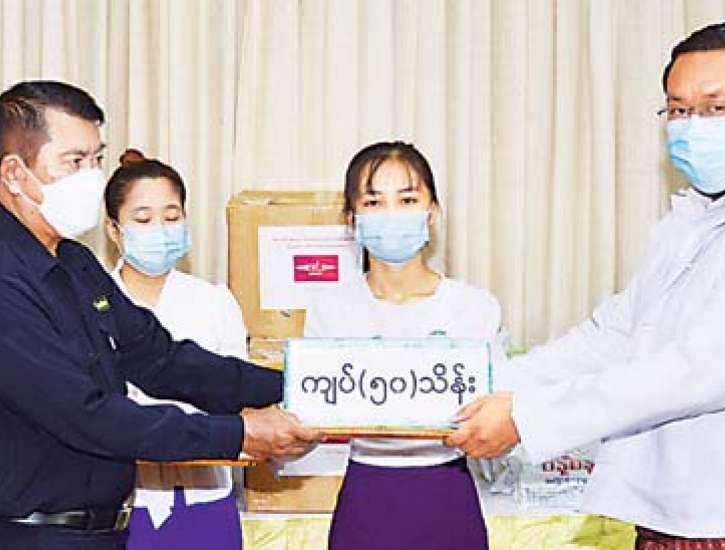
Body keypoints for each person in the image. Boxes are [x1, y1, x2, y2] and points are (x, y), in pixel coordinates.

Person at [445, 22, 725, 549]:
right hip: (670, 519)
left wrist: (527, 417)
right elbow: (614, 334)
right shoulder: (691, 219)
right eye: (678, 110)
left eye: (714, 108)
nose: (691, 126)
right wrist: (474, 383)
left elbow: (702, 370)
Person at [0, 80, 318, 550]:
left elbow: (160, 359)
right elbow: (88, 415)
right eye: (75, 161)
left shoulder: (75, 262)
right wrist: (240, 433)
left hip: (105, 531)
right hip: (32, 534)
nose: (93, 178)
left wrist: (305, 383)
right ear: (14, 173)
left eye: (96, 159)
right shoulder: (7, 279)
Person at [304, 141, 505, 550]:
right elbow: (313, 413)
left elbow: (498, 417)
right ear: (352, 219)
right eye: (374, 202)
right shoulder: (329, 310)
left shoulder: (474, 308)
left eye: (407, 199)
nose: (392, 214)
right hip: (366, 497)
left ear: (432, 213)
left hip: (448, 494)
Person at [103, 149, 246, 549]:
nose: (160, 230)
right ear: (114, 230)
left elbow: (237, 398)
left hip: (205, 499)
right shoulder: (90, 304)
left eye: (171, 216)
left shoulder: (214, 302)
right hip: (123, 503)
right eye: (143, 219)